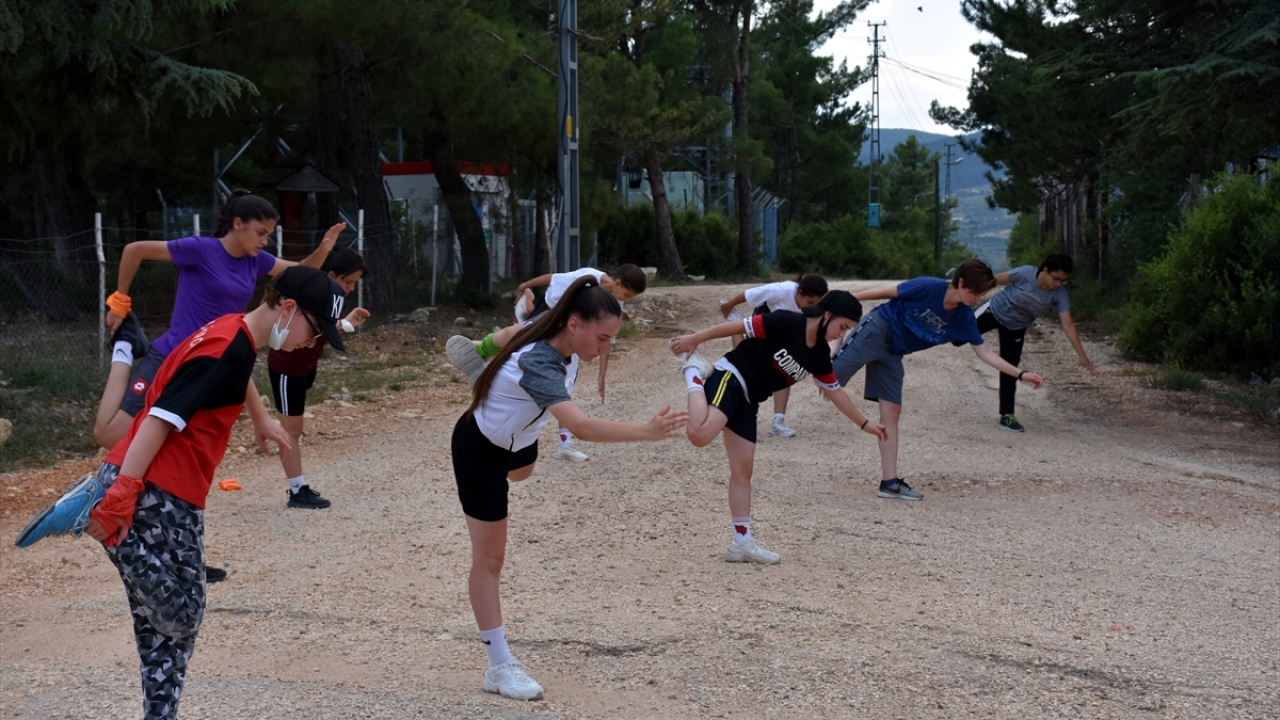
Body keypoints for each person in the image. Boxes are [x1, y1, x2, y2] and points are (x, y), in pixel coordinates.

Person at [14, 266, 347, 720]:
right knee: (183, 615)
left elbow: (231, 372)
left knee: (165, 633)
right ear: (287, 308)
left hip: (171, 489)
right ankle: (102, 523)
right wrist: (120, 498)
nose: (315, 342)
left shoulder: (234, 335)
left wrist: (261, 417)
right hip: (156, 488)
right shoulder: (227, 347)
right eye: (316, 329)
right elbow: (157, 420)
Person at [451, 276, 686, 700]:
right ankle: (500, 666)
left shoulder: (559, 334)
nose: (605, 348)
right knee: (490, 558)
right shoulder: (539, 360)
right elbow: (579, 426)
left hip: (519, 439)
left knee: (522, 473)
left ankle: (488, 381)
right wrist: (647, 432)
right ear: (574, 325)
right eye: (602, 338)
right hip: (480, 447)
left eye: (611, 339)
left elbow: (514, 330)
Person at [96, 190, 343, 580]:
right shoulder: (201, 249)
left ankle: (182, 550)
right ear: (237, 224)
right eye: (260, 232)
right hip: (175, 356)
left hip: (213, 360)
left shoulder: (255, 262)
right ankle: (126, 349)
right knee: (111, 434)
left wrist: (325, 248)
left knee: (189, 452)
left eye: (269, 235)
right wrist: (119, 302)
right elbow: (133, 250)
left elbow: (300, 276)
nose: (265, 242)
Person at [669, 291, 887, 565]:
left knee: (743, 471)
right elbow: (738, 326)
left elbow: (835, 391)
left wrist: (866, 424)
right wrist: (695, 339)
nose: (840, 335)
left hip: (750, 400)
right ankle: (694, 373)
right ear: (828, 314)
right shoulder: (787, 322)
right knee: (699, 435)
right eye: (842, 327)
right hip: (732, 376)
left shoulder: (819, 355)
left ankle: (742, 543)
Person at [832, 260, 1045, 502]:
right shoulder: (928, 287)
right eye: (974, 292)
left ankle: (889, 482)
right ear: (961, 282)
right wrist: (845, 302)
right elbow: (885, 292)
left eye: (982, 295)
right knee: (827, 380)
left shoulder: (964, 319)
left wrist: (1020, 374)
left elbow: (985, 353)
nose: (977, 299)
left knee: (892, 412)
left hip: (894, 352)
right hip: (878, 329)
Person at [446, 264, 647, 462]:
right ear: (618, 282)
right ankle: (483, 353)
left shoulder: (613, 306)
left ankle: (562, 443)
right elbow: (553, 278)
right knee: (523, 350)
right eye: (627, 295)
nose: (625, 300)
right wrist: (524, 285)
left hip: (571, 335)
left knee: (559, 388)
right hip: (551, 321)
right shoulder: (588, 277)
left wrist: (602, 375)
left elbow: (606, 340)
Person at [266, 247, 371, 508]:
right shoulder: (306, 295)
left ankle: (298, 486)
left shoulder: (332, 296)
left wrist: (346, 323)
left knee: (294, 428)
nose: (349, 288)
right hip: (286, 369)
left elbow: (323, 324)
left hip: (306, 366)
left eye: (353, 284)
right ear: (331, 274)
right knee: (291, 430)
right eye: (347, 282)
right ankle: (297, 490)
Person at [977, 254, 1095, 432]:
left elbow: (1068, 324)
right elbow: (992, 281)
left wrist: (1082, 356)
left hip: (1016, 327)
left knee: (1010, 368)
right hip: (993, 311)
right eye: (1056, 279)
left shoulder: (1059, 294)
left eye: (1062, 281)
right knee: (956, 337)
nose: (1058, 284)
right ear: (1046, 270)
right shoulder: (1024, 274)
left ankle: (1007, 415)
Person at [717, 274, 829, 437]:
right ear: (799, 292)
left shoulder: (815, 310)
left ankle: (778, 421)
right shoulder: (781, 290)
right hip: (765, 325)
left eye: (816, 304)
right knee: (746, 363)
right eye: (809, 303)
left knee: (786, 368)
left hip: (785, 334)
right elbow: (750, 294)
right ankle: (733, 320)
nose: (811, 308)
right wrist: (728, 305)